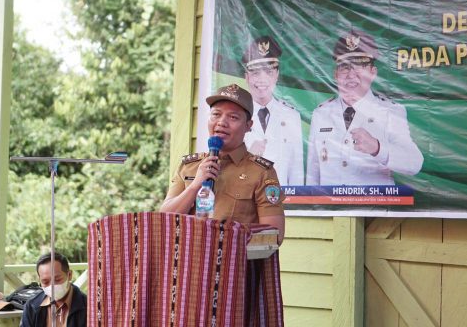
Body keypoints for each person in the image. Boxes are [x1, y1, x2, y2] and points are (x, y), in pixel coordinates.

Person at [161, 84, 286, 243]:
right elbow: (164, 220)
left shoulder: (261, 172)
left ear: (248, 126)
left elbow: (274, 236)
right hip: (188, 263)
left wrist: (221, 244)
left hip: (232, 264)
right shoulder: (189, 166)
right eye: (216, 114)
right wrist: (194, 186)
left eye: (233, 117)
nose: (221, 123)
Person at [306, 30, 423, 185]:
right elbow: (313, 172)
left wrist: (377, 148)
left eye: (359, 65)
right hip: (330, 207)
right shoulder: (321, 113)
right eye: (345, 67)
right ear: (336, 74)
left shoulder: (390, 112)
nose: (351, 74)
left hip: (373, 207)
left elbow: (414, 163)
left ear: (373, 72)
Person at [242, 35, 304, 186]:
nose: (262, 79)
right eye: (256, 73)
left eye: (269, 72)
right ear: (247, 77)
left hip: (282, 205)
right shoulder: (236, 116)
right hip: (244, 203)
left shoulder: (291, 116)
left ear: (276, 75)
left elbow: (296, 172)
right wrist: (247, 156)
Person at [20, 252, 86, 327]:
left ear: (69, 275)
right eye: (45, 282)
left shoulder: (88, 307)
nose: (52, 286)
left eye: (57, 279)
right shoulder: (31, 306)